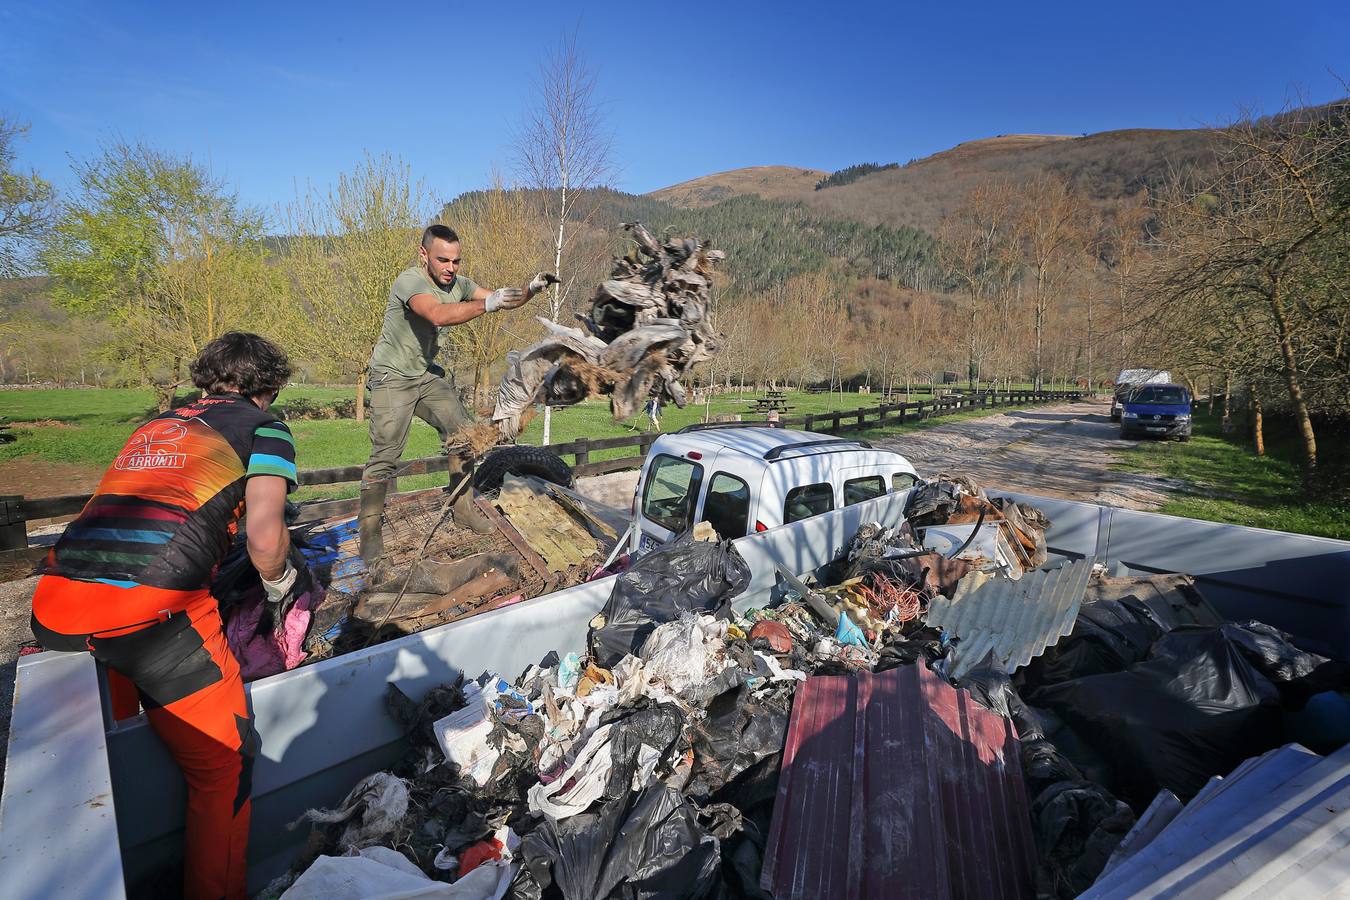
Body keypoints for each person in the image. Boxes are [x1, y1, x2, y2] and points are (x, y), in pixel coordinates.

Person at [30, 332, 300, 900]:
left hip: (56, 604)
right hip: (151, 614)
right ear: (270, 388)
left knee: (128, 740)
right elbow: (266, 536)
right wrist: (280, 588)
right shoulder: (264, 427)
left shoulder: (157, 424)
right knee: (224, 767)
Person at [359, 223, 555, 564]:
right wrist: (488, 304)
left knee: (464, 436)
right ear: (424, 255)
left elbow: (501, 299)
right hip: (391, 377)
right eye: (443, 260)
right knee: (386, 454)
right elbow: (436, 314)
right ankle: (370, 530)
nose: (451, 268)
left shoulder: (459, 284)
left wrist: (530, 290)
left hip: (425, 375)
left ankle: (462, 509)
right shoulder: (410, 282)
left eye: (456, 261)